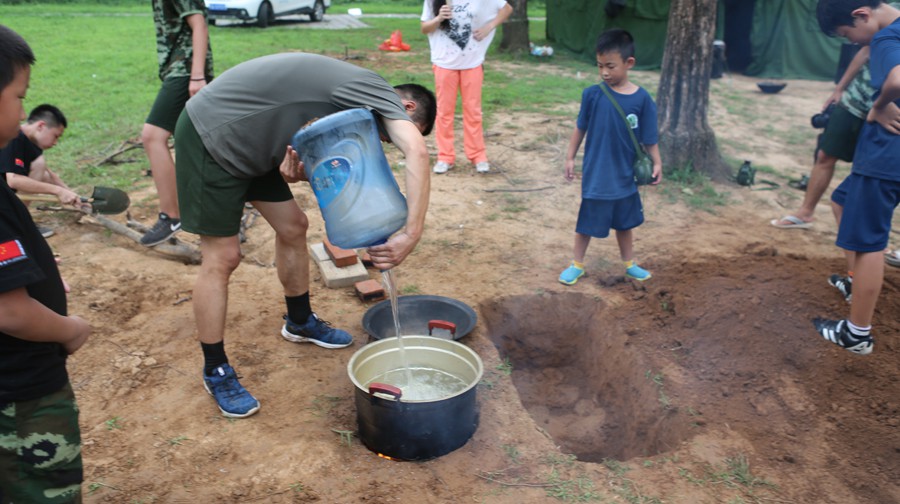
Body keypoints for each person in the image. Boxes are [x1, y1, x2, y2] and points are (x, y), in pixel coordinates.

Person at [174, 52, 436, 418]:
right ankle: (215, 369)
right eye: (389, 137)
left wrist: (291, 171)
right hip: (212, 135)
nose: (386, 142)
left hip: (249, 139)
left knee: (294, 226)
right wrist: (412, 233)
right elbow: (418, 152)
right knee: (223, 257)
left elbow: (301, 163)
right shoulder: (376, 91)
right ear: (405, 107)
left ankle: (299, 321)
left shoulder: (348, 110)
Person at [0, 25, 93, 502]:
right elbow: (10, 312)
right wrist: (67, 328)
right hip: (23, 395)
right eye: (19, 96)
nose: (21, 112)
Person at [812, 0, 900, 355]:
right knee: (842, 200)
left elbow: (895, 78)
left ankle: (857, 333)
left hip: (884, 155)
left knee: (867, 243)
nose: (853, 43)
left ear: (862, 15)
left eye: (848, 35)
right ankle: (854, 282)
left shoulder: (885, 38)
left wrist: (877, 107)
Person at [558, 29, 662, 287]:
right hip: (596, 173)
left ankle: (630, 264)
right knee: (586, 223)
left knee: (625, 223)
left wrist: (657, 162)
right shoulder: (592, 95)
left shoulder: (642, 100)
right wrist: (570, 157)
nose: (604, 72)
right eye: (600, 66)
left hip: (626, 175)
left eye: (611, 66)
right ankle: (577, 264)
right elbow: (580, 127)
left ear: (629, 63)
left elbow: (649, 137)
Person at [770, 44, 873, 231]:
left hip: (887, 110)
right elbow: (866, 51)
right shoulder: (887, 25)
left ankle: (870, 234)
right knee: (825, 155)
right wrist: (839, 88)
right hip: (853, 101)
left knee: (872, 171)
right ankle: (805, 212)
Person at [139, 0, 213, 247]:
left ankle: (171, 216)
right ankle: (219, 214)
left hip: (186, 70)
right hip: (179, 69)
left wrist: (197, 75)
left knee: (152, 136)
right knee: (197, 143)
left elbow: (199, 24)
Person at [421, 0, 513, 174]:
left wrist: (489, 27)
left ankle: (478, 156)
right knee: (444, 112)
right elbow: (424, 28)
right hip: (444, 63)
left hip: (472, 62)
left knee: (473, 111)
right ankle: (445, 157)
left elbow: (506, 8)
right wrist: (439, 18)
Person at [0, 104, 87, 237]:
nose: (55, 142)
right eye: (55, 136)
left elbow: (49, 175)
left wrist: (72, 195)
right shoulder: (13, 137)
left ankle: (18, 220)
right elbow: (14, 180)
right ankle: (19, 223)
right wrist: (58, 191)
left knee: (43, 172)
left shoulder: (30, 141)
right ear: (41, 126)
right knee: (39, 164)